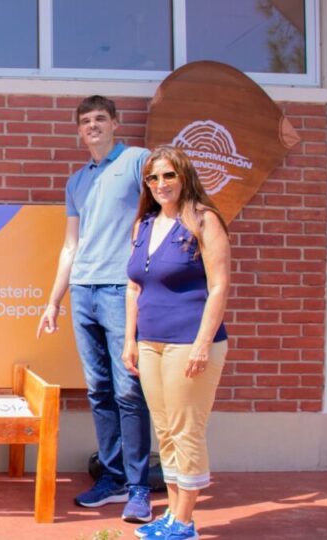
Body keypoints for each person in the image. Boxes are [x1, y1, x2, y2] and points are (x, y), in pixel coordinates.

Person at [36, 95, 153, 522]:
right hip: (83, 291)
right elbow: (71, 245)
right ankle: (113, 477)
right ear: (78, 130)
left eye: (101, 118)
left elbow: (164, 210)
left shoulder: (138, 161)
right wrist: (54, 301)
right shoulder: (77, 182)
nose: (93, 126)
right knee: (99, 390)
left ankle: (139, 488)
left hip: (122, 290)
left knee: (128, 389)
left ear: (115, 123)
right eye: (86, 121)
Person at [123, 147, 230, 540]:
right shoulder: (144, 224)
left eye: (169, 175)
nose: (160, 184)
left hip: (189, 342)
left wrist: (203, 343)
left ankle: (184, 523)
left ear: (184, 177)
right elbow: (134, 287)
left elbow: (219, 286)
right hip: (150, 343)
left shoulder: (204, 219)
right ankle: (172, 515)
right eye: (153, 178)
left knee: (187, 430)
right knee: (166, 430)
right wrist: (130, 340)